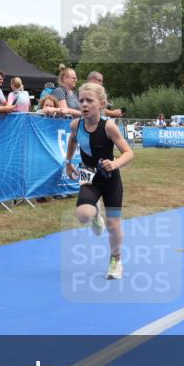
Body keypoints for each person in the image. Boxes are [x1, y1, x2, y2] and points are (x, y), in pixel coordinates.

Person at [64, 82, 134, 280]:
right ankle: (95, 213)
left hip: (110, 178)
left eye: (89, 101)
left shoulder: (109, 126)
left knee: (113, 224)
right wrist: (68, 162)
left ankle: (116, 260)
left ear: (102, 104)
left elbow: (129, 153)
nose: (84, 104)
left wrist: (115, 163)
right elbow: (73, 140)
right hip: (88, 174)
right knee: (83, 215)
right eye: (81, 100)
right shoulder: (76, 125)